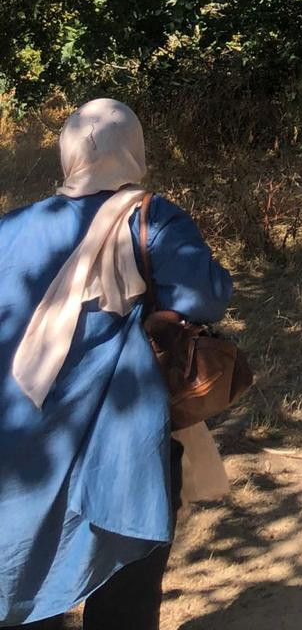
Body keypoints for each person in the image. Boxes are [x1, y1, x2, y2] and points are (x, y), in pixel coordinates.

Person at [0, 99, 233, 630]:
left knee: (27, 574)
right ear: (133, 149)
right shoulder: (151, 219)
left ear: (68, 152)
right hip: (121, 442)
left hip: (25, 440)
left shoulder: (11, 228)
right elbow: (208, 296)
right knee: (125, 590)